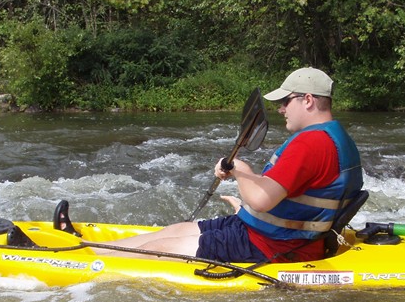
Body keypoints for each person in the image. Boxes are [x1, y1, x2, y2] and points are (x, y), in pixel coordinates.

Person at [96, 67, 363, 262]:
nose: (281, 109)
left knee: (163, 246)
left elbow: (260, 200)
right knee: (177, 230)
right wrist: (244, 199)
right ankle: (89, 249)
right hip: (265, 232)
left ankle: (87, 263)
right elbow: (285, 193)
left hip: (273, 246)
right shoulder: (336, 137)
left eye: (285, 101)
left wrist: (240, 171)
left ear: (307, 100)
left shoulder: (310, 144)